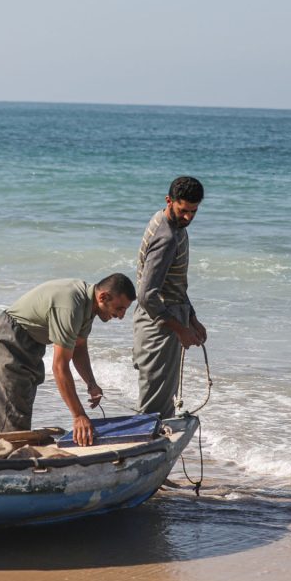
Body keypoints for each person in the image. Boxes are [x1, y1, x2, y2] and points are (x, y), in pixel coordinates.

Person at [0, 273, 136, 447]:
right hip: (6, 340)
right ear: (103, 297)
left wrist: (91, 383)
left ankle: (17, 456)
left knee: (21, 410)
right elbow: (60, 367)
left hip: (31, 344)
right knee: (12, 418)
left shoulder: (89, 306)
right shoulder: (71, 307)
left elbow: (78, 347)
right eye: (120, 308)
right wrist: (79, 416)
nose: (121, 316)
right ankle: (8, 465)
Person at [132, 176, 207, 417]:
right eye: (183, 210)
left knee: (163, 400)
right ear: (169, 201)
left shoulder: (170, 223)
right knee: (155, 408)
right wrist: (180, 329)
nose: (189, 217)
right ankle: (145, 452)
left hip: (168, 318)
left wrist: (192, 319)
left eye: (194, 212)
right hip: (159, 325)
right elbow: (146, 295)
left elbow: (174, 284)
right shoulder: (166, 237)